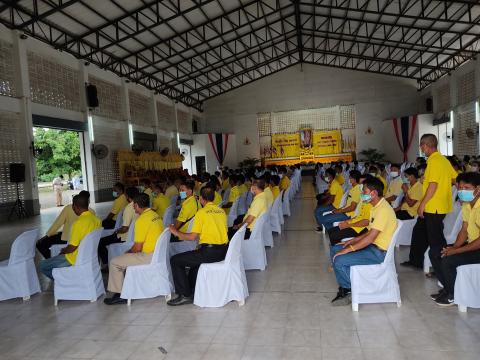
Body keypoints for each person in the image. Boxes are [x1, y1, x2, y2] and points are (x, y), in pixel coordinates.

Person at [330, 177, 397, 305]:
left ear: (374, 193)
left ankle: (350, 288)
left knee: (339, 259)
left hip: (379, 252)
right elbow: (370, 232)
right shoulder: (376, 207)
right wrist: (351, 241)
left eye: (364, 192)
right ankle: (346, 285)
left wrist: (349, 249)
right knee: (335, 249)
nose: (362, 195)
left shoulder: (383, 210)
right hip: (373, 246)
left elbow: (371, 237)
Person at [402, 134, 457, 269]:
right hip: (436, 205)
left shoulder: (434, 161)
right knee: (419, 231)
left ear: (425, 146)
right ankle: (416, 260)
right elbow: (454, 179)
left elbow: (433, 185)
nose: (421, 149)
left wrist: (422, 204)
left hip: (433, 207)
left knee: (436, 240)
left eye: (421, 146)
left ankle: (443, 268)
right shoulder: (443, 160)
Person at [167, 186, 229, 306]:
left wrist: (175, 231)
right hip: (223, 251)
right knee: (194, 259)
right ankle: (191, 289)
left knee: (175, 260)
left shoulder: (201, 213)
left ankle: (184, 295)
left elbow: (192, 237)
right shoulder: (221, 211)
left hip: (210, 253)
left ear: (201, 199)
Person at [104, 193, 164, 305]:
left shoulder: (141, 220)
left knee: (114, 262)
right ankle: (125, 288)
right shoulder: (156, 216)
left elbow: (137, 248)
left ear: (136, 205)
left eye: (133, 205)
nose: (132, 207)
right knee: (124, 257)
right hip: (158, 254)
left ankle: (120, 294)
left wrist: (128, 252)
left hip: (148, 256)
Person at [430, 172, 480, 306]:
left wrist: (456, 251)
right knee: (435, 252)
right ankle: (448, 289)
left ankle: (453, 295)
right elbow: (464, 230)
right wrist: (454, 247)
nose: (462, 191)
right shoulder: (467, 204)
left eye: (467, 188)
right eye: (460, 188)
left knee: (449, 260)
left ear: (478, 189)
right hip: (472, 244)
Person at [39, 195, 101, 279]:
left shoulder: (78, 223)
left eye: (73, 206)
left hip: (74, 259)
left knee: (42, 265)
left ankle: (64, 281)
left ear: (75, 206)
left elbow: (72, 248)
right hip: (89, 257)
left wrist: (63, 250)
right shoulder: (97, 220)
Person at [36, 191, 94, 259]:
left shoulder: (69, 208)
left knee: (40, 244)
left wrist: (47, 235)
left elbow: (58, 223)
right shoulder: (92, 212)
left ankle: (51, 260)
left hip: (66, 239)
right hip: (83, 240)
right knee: (59, 234)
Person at [98, 187, 139, 266]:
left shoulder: (129, 208)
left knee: (101, 242)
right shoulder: (141, 205)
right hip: (136, 234)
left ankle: (106, 264)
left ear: (127, 196)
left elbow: (125, 229)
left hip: (124, 237)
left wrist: (117, 231)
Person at [327, 175, 373, 245]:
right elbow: (359, 216)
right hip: (356, 223)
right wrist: (347, 221)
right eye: (360, 184)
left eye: (363, 184)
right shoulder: (365, 200)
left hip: (362, 228)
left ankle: (340, 251)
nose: (361, 186)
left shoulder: (371, 203)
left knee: (334, 235)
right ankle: (336, 249)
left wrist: (348, 225)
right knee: (331, 231)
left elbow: (366, 222)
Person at [314, 168, 344, 232]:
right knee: (319, 202)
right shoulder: (332, 182)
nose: (325, 176)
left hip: (335, 205)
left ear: (330, 176)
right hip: (334, 202)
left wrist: (323, 205)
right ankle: (323, 225)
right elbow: (330, 193)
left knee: (317, 211)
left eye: (326, 175)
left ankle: (324, 227)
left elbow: (331, 200)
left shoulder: (334, 184)